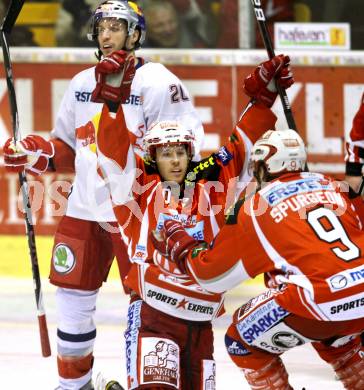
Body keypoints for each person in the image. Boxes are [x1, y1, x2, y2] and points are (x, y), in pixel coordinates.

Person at [2, 1, 205, 389]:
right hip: (84, 208)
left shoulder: (159, 82)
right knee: (72, 302)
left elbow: (184, 150)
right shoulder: (81, 84)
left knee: (147, 309)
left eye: (117, 27)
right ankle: (73, 386)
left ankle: (144, 382)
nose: (108, 35)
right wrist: (35, 154)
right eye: (103, 28)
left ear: (135, 34)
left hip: (138, 215)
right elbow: (66, 148)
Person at [94, 52, 293, 389]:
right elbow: (114, 156)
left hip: (200, 324)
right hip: (154, 316)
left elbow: (241, 149)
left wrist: (263, 99)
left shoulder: (213, 189)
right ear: (152, 157)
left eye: (180, 152)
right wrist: (112, 108)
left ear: (190, 154)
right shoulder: (138, 191)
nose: (174, 159)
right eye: (165, 153)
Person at [154, 129, 364, 389]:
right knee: (337, 334)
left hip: (318, 302)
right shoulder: (336, 187)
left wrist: (180, 241)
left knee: (240, 341)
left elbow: (211, 277)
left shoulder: (256, 206)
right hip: (359, 297)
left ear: (265, 166)